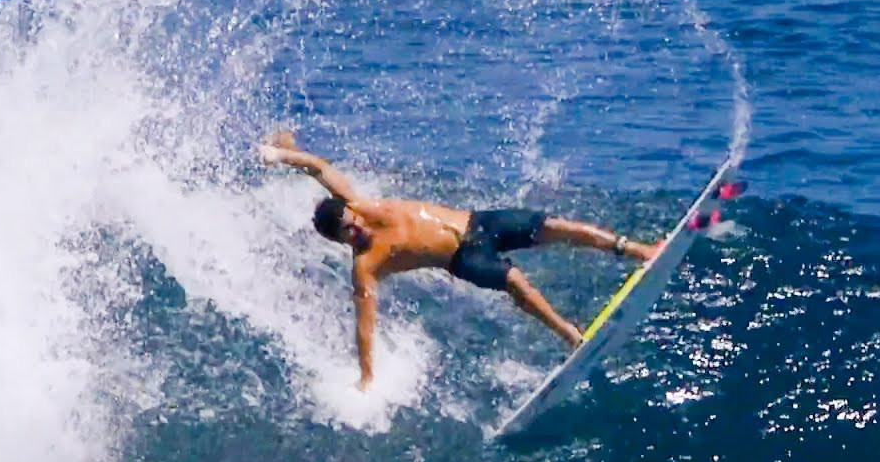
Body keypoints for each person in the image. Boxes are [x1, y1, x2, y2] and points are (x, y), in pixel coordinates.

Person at [259, 130, 660, 391]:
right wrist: (367, 376)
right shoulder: (366, 265)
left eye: (353, 220)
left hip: (479, 222)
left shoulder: (363, 206)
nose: (357, 226)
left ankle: (640, 250)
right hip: (463, 258)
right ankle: (571, 336)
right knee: (516, 281)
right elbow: (365, 325)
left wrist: (281, 155)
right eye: (349, 230)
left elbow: (320, 168)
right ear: (339, 239)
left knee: (559, 227)